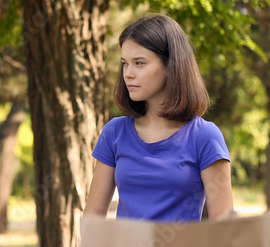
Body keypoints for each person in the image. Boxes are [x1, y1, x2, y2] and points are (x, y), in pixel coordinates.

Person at [83, 13, 234, 221]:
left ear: (171, 66)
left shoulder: (205, 137)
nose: (128, 73)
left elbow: (224, 227)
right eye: (125, 63)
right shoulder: (114, 133)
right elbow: (92, 219)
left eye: (139, 63)